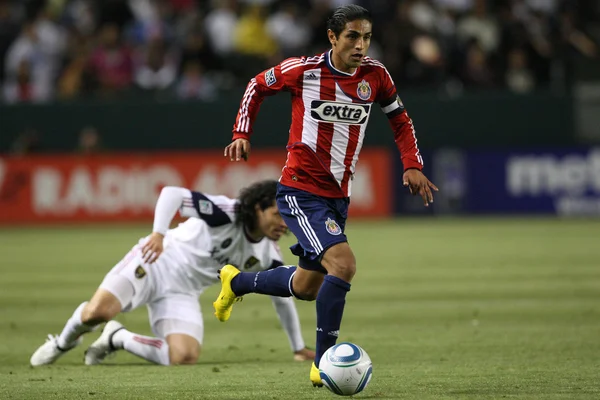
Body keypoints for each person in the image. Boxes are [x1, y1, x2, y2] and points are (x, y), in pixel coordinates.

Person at [213, 4, 438, 387]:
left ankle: (235, 282)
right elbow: (256, 86)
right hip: (301, 190)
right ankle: (323, 364)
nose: (361, 45)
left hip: (338, 196)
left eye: (366, 36)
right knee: (344, 265)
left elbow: (400, 119)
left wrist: (411, 163)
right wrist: (241, 133)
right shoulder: (304, 70)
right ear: (333, 37)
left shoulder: (375, 76)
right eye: (352, 36)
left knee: (305, 287)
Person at [30, 180, 315, 367]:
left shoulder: (269, 254)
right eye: (277, 214)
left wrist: (298, 347)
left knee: (184, 356)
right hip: (155, 261)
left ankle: (117, 338)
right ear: (257, 208)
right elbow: (172, 194)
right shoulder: (225, 212)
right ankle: (62, 342)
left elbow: (283, 298)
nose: (282, 223)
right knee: (96, 313)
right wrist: (158, 234)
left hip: (183, 292)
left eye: (286, 217)